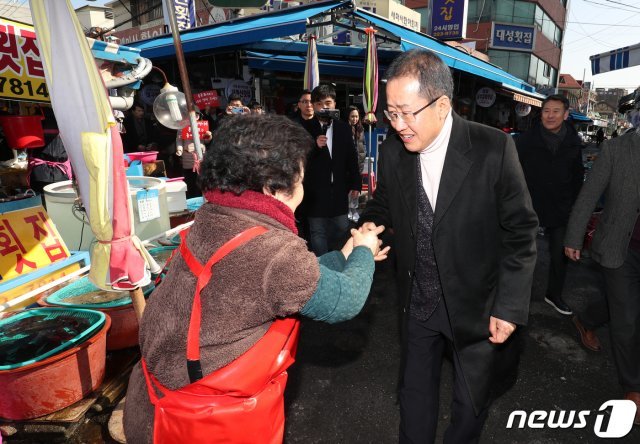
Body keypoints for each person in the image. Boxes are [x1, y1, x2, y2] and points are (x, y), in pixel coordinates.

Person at [123, 114, 390, 443]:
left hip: (155, 403)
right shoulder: (272, 249)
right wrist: (364, 251)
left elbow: (278, 282)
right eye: (301, 179)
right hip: (204, 422)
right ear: (274, 187)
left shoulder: (215, 214)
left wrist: (346, 256)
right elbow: (343, 300)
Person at [359, 49, 538, 443]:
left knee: (470, 402)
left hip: (477, 305)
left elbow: (521, 231)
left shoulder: (493, 149)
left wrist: (509, 306)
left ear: (442, 105)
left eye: (407, 112)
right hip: (418, 299)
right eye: (391, 113)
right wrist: (369, 226)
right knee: (414, 395)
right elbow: (384, 203)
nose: (399, 125)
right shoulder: (393, 151)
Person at [564, 127, 640, 426]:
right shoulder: (617, 149)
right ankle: (633, 386)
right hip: (620, 249)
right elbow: (589, 194)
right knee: (627, 320)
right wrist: (573, 236)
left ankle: (586, 319)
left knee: (622, 304)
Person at [515, 94, 584, 316]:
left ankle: (554, 294)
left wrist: (573, 202)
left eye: (555, 111)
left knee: (559, 255)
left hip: (561, 208)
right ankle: (516, 296)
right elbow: (511, 172)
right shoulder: (525, 140)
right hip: (528, 206)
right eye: (546, 111)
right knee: (521, 254)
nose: (550, 115)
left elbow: (577, 174)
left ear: (565, 115)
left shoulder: (573, 142)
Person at [301, 84, 362, 255]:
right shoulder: (305, 128)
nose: (324, 107)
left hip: (338, 191)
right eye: (319, 103)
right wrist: (314, 146)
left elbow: (352, 157)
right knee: (317, 232)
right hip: (314, 192)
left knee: (342, 227)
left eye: (328, 102)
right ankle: (322, 267)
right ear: (313, 105)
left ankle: (335, 256)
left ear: (334, 104)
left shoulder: (343, 128)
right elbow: (298, 160)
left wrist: (356, 184)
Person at [175, 113, 212, 198]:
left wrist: (209, 136)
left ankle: (201, 197)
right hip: (187, 157)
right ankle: (191, 198)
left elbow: (206, 142)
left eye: (196, 115)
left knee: (201, 179)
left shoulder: (202, 126)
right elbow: (179, 140)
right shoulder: (182, 127)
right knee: (189, 179)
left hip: (201, 157)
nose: (192, 117)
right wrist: (179, 149)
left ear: (198, 117)